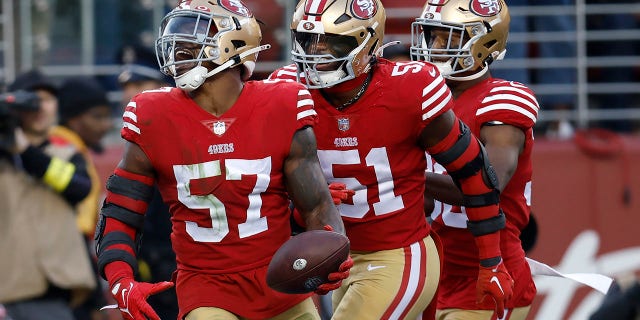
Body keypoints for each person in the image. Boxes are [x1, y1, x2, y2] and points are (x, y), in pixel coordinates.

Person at [94, 1, 350, 319]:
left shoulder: (282, 104)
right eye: (177, 30)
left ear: (236, 41)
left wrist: (332, 252)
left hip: (280, 285)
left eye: (195, 29)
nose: (178, 41)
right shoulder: (152, 115)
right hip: (206, 289)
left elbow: (315, 206)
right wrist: (121, 281)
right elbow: (119, 212)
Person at [269, 0, 514, 319]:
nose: (316, 52)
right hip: (334, 257)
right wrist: (303, 212)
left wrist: (491, 261)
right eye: (308, 40)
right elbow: (267, 193)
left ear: (365, 43)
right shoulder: (286, 90)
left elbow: (474, 173)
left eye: (331, 42)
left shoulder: (409, 89)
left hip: (397, 253)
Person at [410, 0, 539, 319]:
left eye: (447, 38)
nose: (434, 47)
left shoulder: (502, 100)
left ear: (485, 41)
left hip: (491, 275)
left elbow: (487, 183)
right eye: (431, 36)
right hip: (436, 274)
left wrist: (404, 177)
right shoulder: (426, 100)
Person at [0, 70, 97, 320]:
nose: (39, 107)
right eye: (31, 100)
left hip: (60, 289)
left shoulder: (67, 152)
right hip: (10, 286)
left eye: (47, 99)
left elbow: (79, 189)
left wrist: (23, 149)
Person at [116, 46, 180, 320]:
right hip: (151, 262)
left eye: (140, 84)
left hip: (188, 259)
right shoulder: (134, 138)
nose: (129, 94)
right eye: (126, 86)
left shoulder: (181, 132)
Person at [53, 76, 114, 320]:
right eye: (97, 116)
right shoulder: (65, 151)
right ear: (73, 118)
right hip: (66, 266)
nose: (106, 125)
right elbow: (73, 231)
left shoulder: (71, 147)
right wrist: (94, 298)